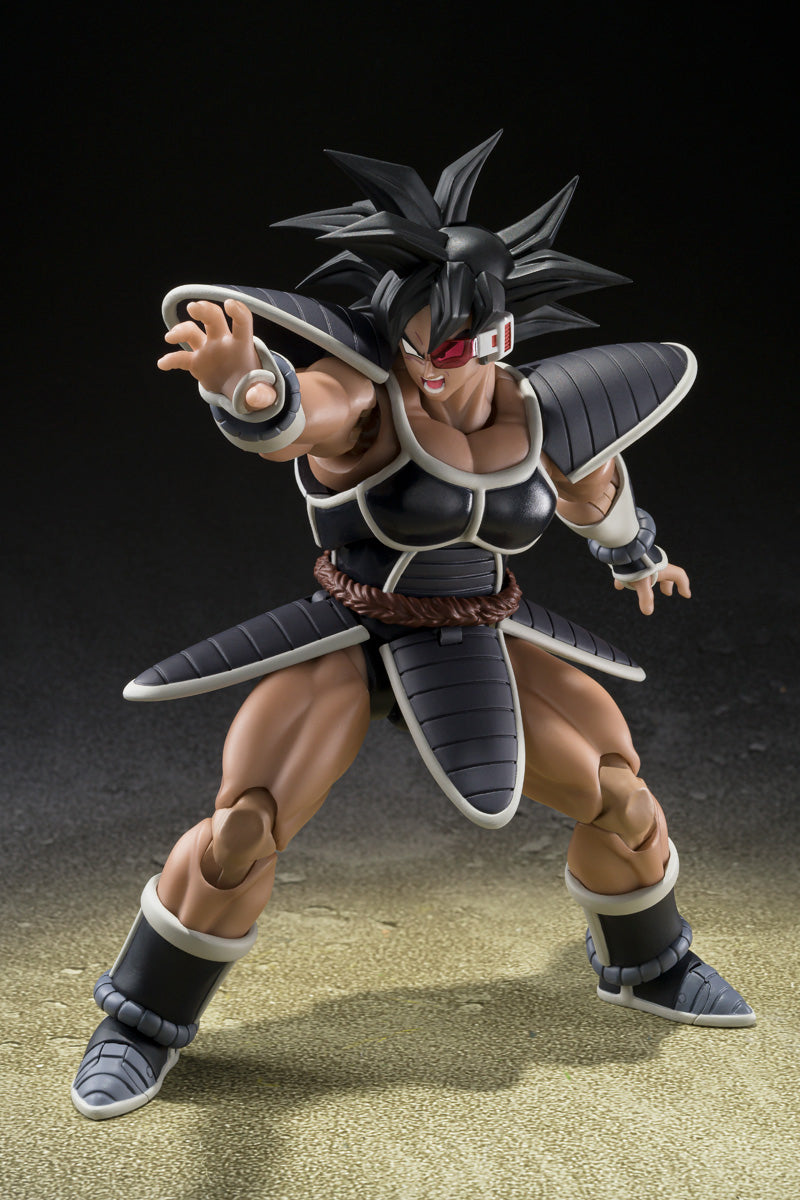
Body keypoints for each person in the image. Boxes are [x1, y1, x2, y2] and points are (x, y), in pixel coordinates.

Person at [72, 132, 754, 1121]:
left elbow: (592, 490)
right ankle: (141, 1019)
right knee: (243, 826)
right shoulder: (370, 395)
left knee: (620, 793)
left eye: (457, 345)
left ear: (499, 334)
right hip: (353, 634)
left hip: (481, 634)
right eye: (416, 343)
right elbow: (294, 414)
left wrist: (634, 554)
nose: (432, 366)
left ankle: (649, 963)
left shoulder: (541, 413)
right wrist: (245, 383)